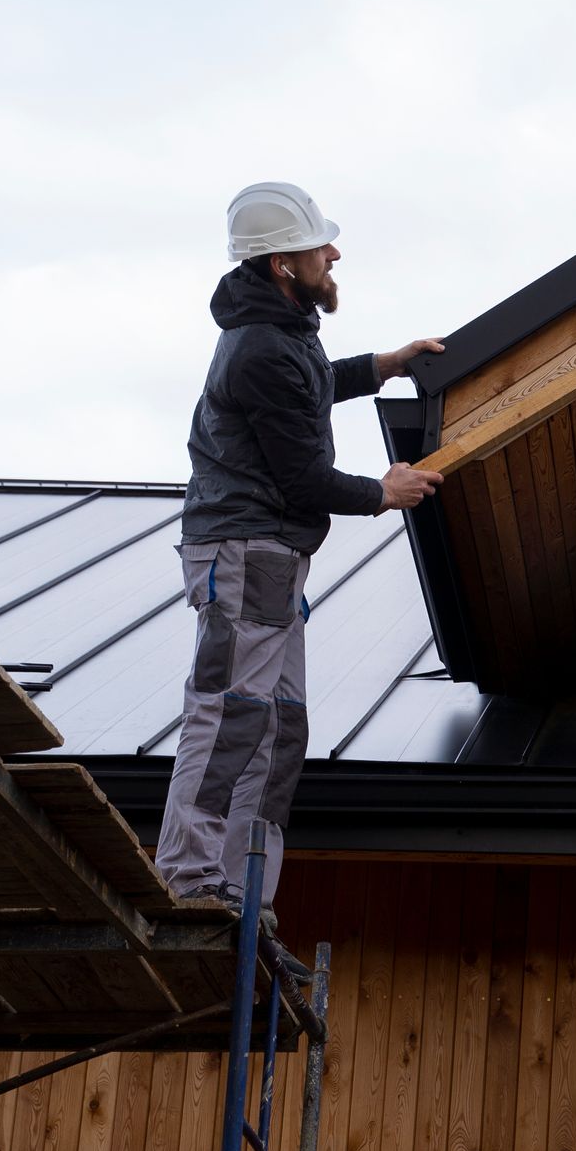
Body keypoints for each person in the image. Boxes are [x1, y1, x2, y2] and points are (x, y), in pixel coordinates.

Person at [156, 181, 445, 910]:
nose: (333, 254)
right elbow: (304, 476)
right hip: (245, 550)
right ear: (283, 264)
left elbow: (312, 384)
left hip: (272, 557)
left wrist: (386, 363)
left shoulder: (279, 334)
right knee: (229, 712)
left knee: (280, 728)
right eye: (320, 247)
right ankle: (191, 878)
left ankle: (243, 887)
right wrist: (383, 492)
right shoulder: (258, 349)